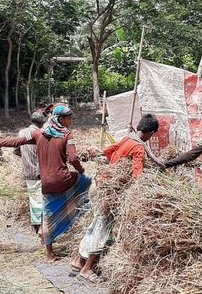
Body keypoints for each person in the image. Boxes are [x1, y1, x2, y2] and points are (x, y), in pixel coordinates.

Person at [0, 105, 91, 261]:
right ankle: (72, 215)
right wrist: (81, 170)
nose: (71, 120)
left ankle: (50, 254)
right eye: (69, 117)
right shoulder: (67, 135)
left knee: (47, 214)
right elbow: (73, 159)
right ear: (61, 119)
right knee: (88, 182)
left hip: (46, 182)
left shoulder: (39, 134)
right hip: (64, 179)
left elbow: (16, 141)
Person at [71, 113, 163, 282]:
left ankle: (78, 261)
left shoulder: (128, 139)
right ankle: (87, 268)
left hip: (98, 185)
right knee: (103, 229)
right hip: (108, 192)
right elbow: (137, 176)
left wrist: (116, 166)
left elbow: (107, 152)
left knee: (94, 224)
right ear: (150, 133)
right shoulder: (138, 148)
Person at [15, 110, 47, 235]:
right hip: (42, 171)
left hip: (28, 171)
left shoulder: (22, 132)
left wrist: (26, 156)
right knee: (43, 199)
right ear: (42, 122)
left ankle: (37, 227)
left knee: (34, 200)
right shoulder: (42, 133)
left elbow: (17, 150)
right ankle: (42, 227)